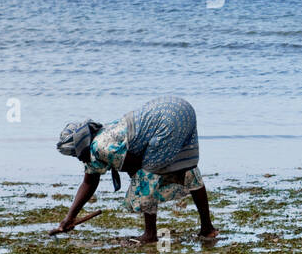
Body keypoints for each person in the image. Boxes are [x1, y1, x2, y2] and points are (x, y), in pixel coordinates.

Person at [54, 96, 218, 243]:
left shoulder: (100, 147)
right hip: (180, 108)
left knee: (145, 179)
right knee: (187, 170)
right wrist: (69, 218)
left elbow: (138, 166)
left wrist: (143, 184)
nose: (77, 158)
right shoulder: (102, 134)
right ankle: (207, 228)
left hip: (166, 121)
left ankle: (150, 234)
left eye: (74, 154)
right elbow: (89, 182)